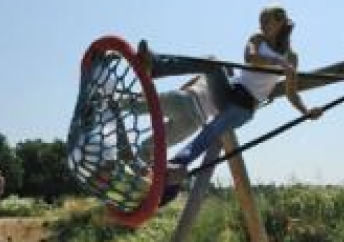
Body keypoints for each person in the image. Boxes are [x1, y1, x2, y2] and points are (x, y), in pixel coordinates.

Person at [137, 5, 323, 205]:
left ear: (280, 23)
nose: (262, 25)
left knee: (209, 132)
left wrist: (306, 111)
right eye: (261, 21)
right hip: (230, 92)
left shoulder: (292, 58)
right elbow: (250, 58)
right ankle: (156, 65)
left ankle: (169, 177)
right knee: (212, 61)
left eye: (266, 21)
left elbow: (291, 94)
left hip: (244, 106)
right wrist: (278, 64)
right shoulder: (257, 39)